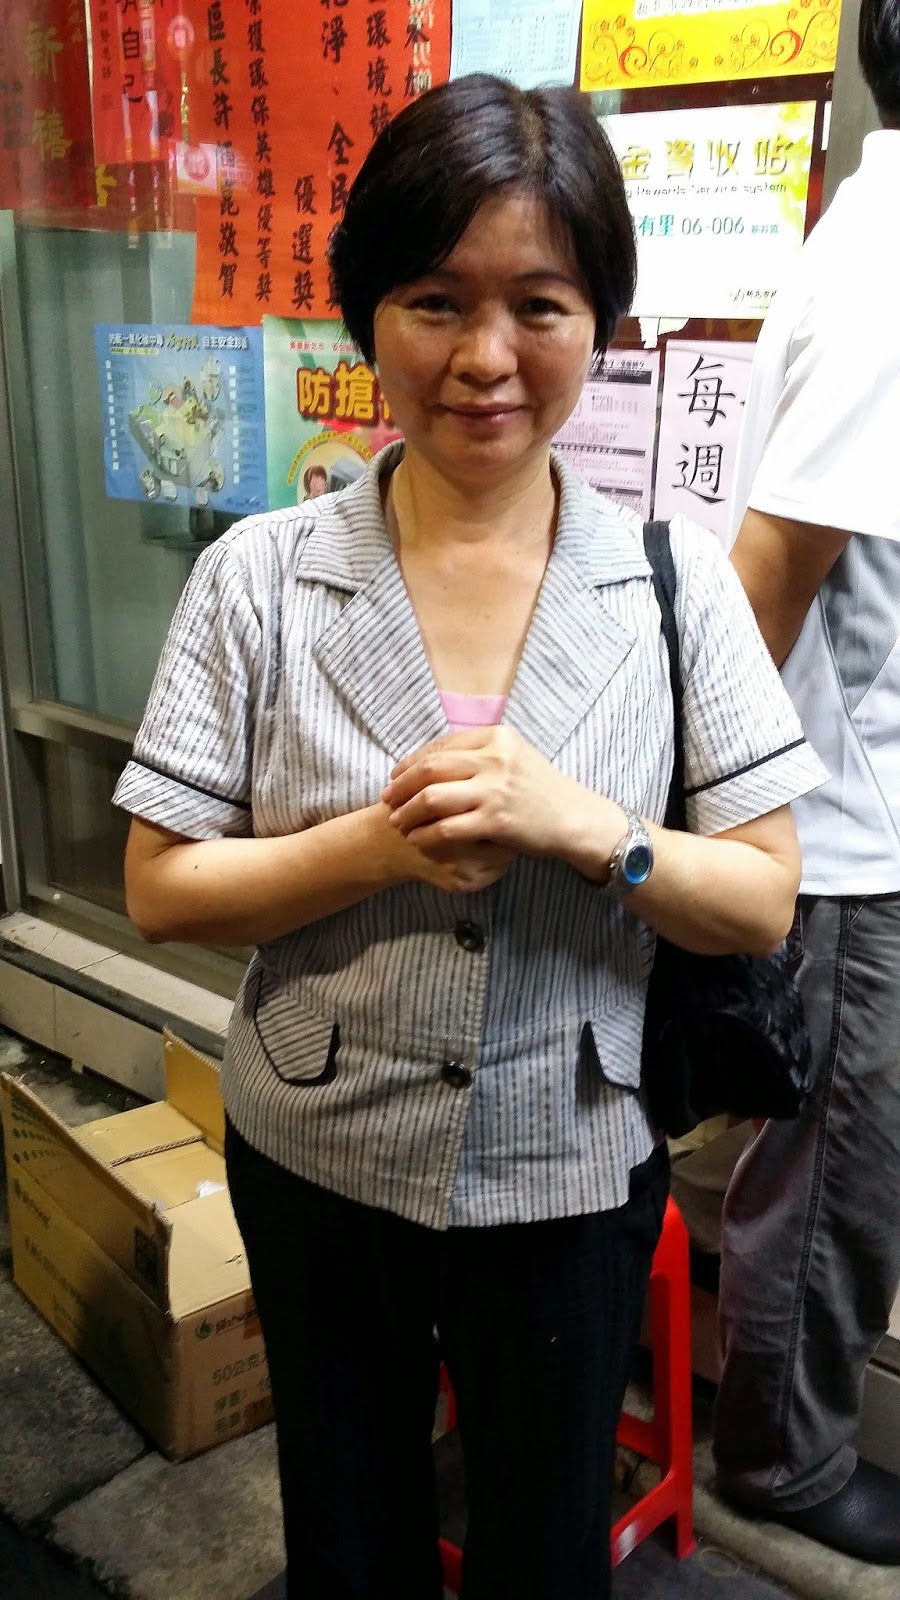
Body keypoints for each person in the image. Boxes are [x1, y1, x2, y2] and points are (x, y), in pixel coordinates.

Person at [116, 76, 823, 1600]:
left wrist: (595, 830)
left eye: (540, 305)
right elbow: (161, 886)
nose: (486, 357)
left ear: (601, 324)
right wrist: (375, 847)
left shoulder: (676, 585)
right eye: (436, 300)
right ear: (368, 314)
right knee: (347, 1541)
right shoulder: (258, 577)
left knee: (545, 1553)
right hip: (314, 1149)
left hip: (566, 1168)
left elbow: (764, 898)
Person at [714, 0, 900, 1564]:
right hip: (842, 829)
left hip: (859, 809)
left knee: (840, 1154)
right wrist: (728, 811)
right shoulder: (890, 266)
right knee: (838, 1161)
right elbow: (771, 571)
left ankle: (787, 1427)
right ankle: (779, 1454)